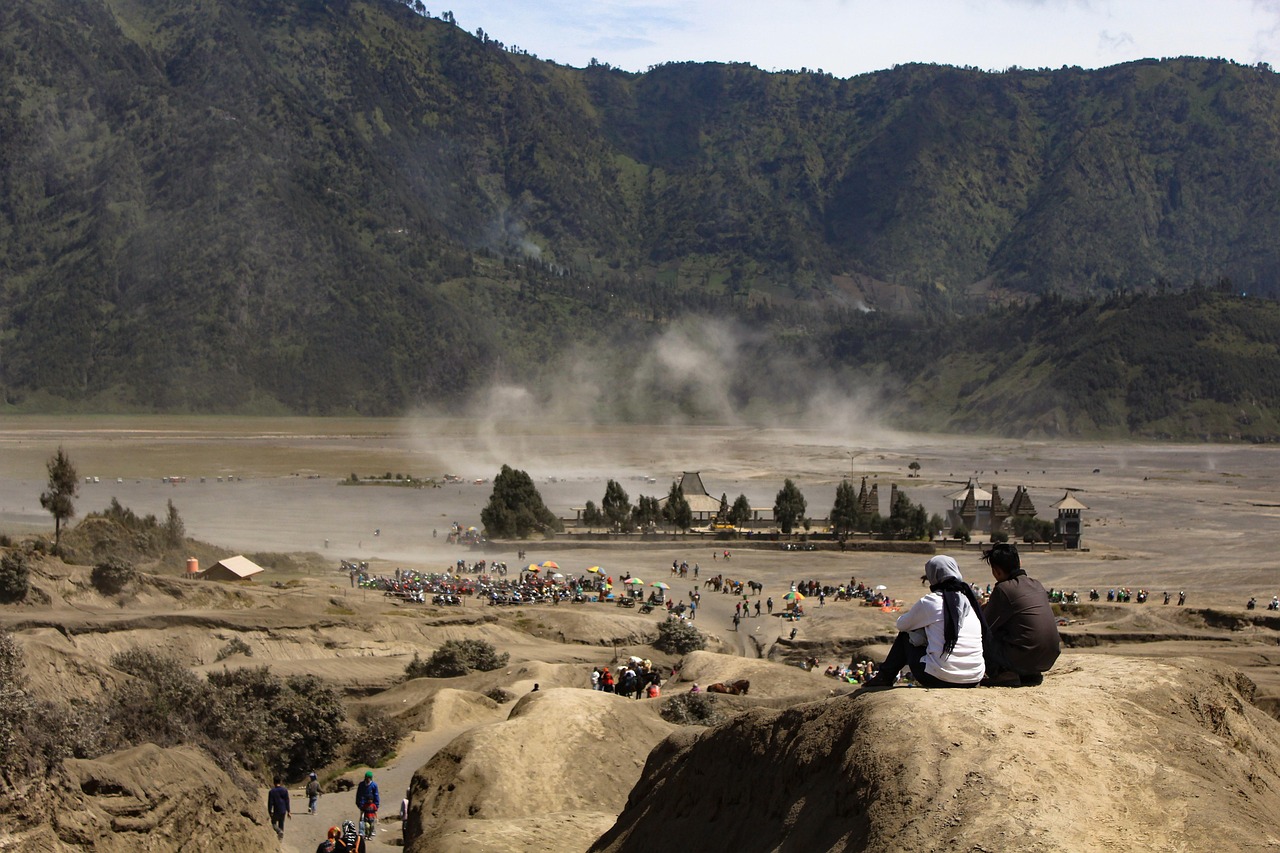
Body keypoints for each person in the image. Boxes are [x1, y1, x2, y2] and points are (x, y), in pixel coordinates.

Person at [864, 555, 986, 689]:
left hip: (939, 678)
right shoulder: (969, 602)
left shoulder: (931, 602)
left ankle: (884, 677)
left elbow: (902, 625)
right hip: (974, 678)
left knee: (907, 634)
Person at [980, 543, 1060, 687]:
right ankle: (1029, 673)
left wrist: (981, 609)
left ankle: (1002, 673)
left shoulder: (1003, 589)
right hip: (1048, 658)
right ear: (1019, 563)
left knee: (982, 635)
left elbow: (985, 626)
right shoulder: (1037, 584)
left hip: (1023, 657)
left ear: (996, 571)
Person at [355, 770, 380, 838]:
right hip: (363, 805)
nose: (367, 779)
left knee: (371, 818)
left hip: (371, 805)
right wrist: (358, 803)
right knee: (362, 818)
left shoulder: (374, 785)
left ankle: (372, 831)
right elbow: (358, 794)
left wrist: (376, 805)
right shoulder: (361, 785)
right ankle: (361, 832)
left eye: (369, 778)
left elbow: (376, 795)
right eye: (366, 778)